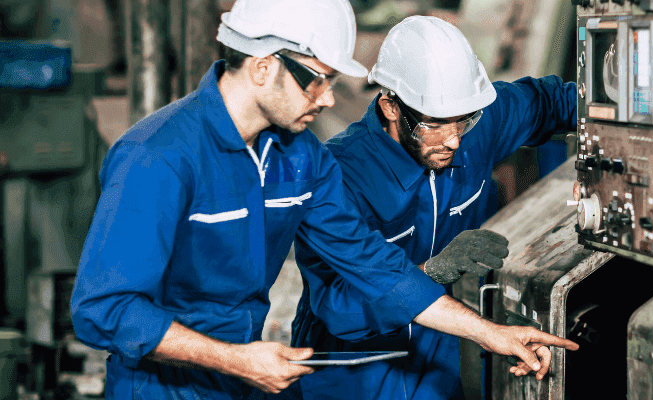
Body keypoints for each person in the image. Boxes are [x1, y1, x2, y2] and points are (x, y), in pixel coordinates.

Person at [69, 1, 577, 399]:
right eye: (317, 79)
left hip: (244, 378)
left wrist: (491, 333)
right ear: (264, 66)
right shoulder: (157, 157)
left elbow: (375, 267)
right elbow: (103, 308)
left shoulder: (301, 160)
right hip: (161, 388)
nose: (330, 98)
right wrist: (234, 359)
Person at [291, 16, 577, 400]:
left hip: (438, 359)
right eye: (436, 124)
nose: (454, 140)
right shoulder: (340, 176)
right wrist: (432, 271)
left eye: (462, 122)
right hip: (352, 370)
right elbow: (338, 306)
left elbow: (555, 102)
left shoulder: (473, 123)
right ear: (391, 106)